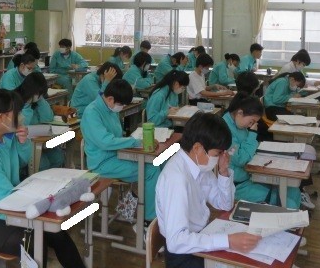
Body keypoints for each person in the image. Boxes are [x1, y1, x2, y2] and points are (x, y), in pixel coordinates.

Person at [0, 90, 84, 267]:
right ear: (2, 117)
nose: (22, 117)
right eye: (18, 113)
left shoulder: (5, 138)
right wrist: (35, 211)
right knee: (34, 241)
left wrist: (24, 142)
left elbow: (23, 161)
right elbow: (0, 201)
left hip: (6, 206)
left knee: (57, 233)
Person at [155, 112, 261, 268]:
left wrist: (223, 171)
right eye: (217, 153)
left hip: (200, 238)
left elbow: (224, 204)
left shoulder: (198, 165)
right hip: (184, 255)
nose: (219, 158)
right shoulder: (176, 179)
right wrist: (228, 241)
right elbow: (176, 241)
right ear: (198, 148)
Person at [81, 79, 160, 226]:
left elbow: (117, 136)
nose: (122, 108)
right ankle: (149, 220)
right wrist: (135, 142)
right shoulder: (92, 112)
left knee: (153, 164)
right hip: (102, 163)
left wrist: (137, 143)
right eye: (121, 105)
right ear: (110, 99)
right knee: (150, 170)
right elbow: (105, 141)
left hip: (117, 155)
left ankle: (127, 209)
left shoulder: (110, 109)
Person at [223, 95, 301, 208]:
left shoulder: (239, 124)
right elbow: (241, 159)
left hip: (250, 175)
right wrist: (252, 134)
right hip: (237, 185)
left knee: (294, 191)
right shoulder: (224, 129)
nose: (251, 125)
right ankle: (285, 217)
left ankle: (294, 217)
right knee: (289, 203)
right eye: (251, 121)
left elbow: (248, 148)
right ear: (240, 113)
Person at [14, 72, 63, 170]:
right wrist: (27, 104)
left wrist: (41, 100)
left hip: (39, 138)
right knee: (43, 164)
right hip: (23, 143)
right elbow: (22, 124)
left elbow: (47, 119)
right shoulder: (15, 100)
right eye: (38, 94)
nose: (39, 96)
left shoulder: (37, 101)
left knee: (58, 158)